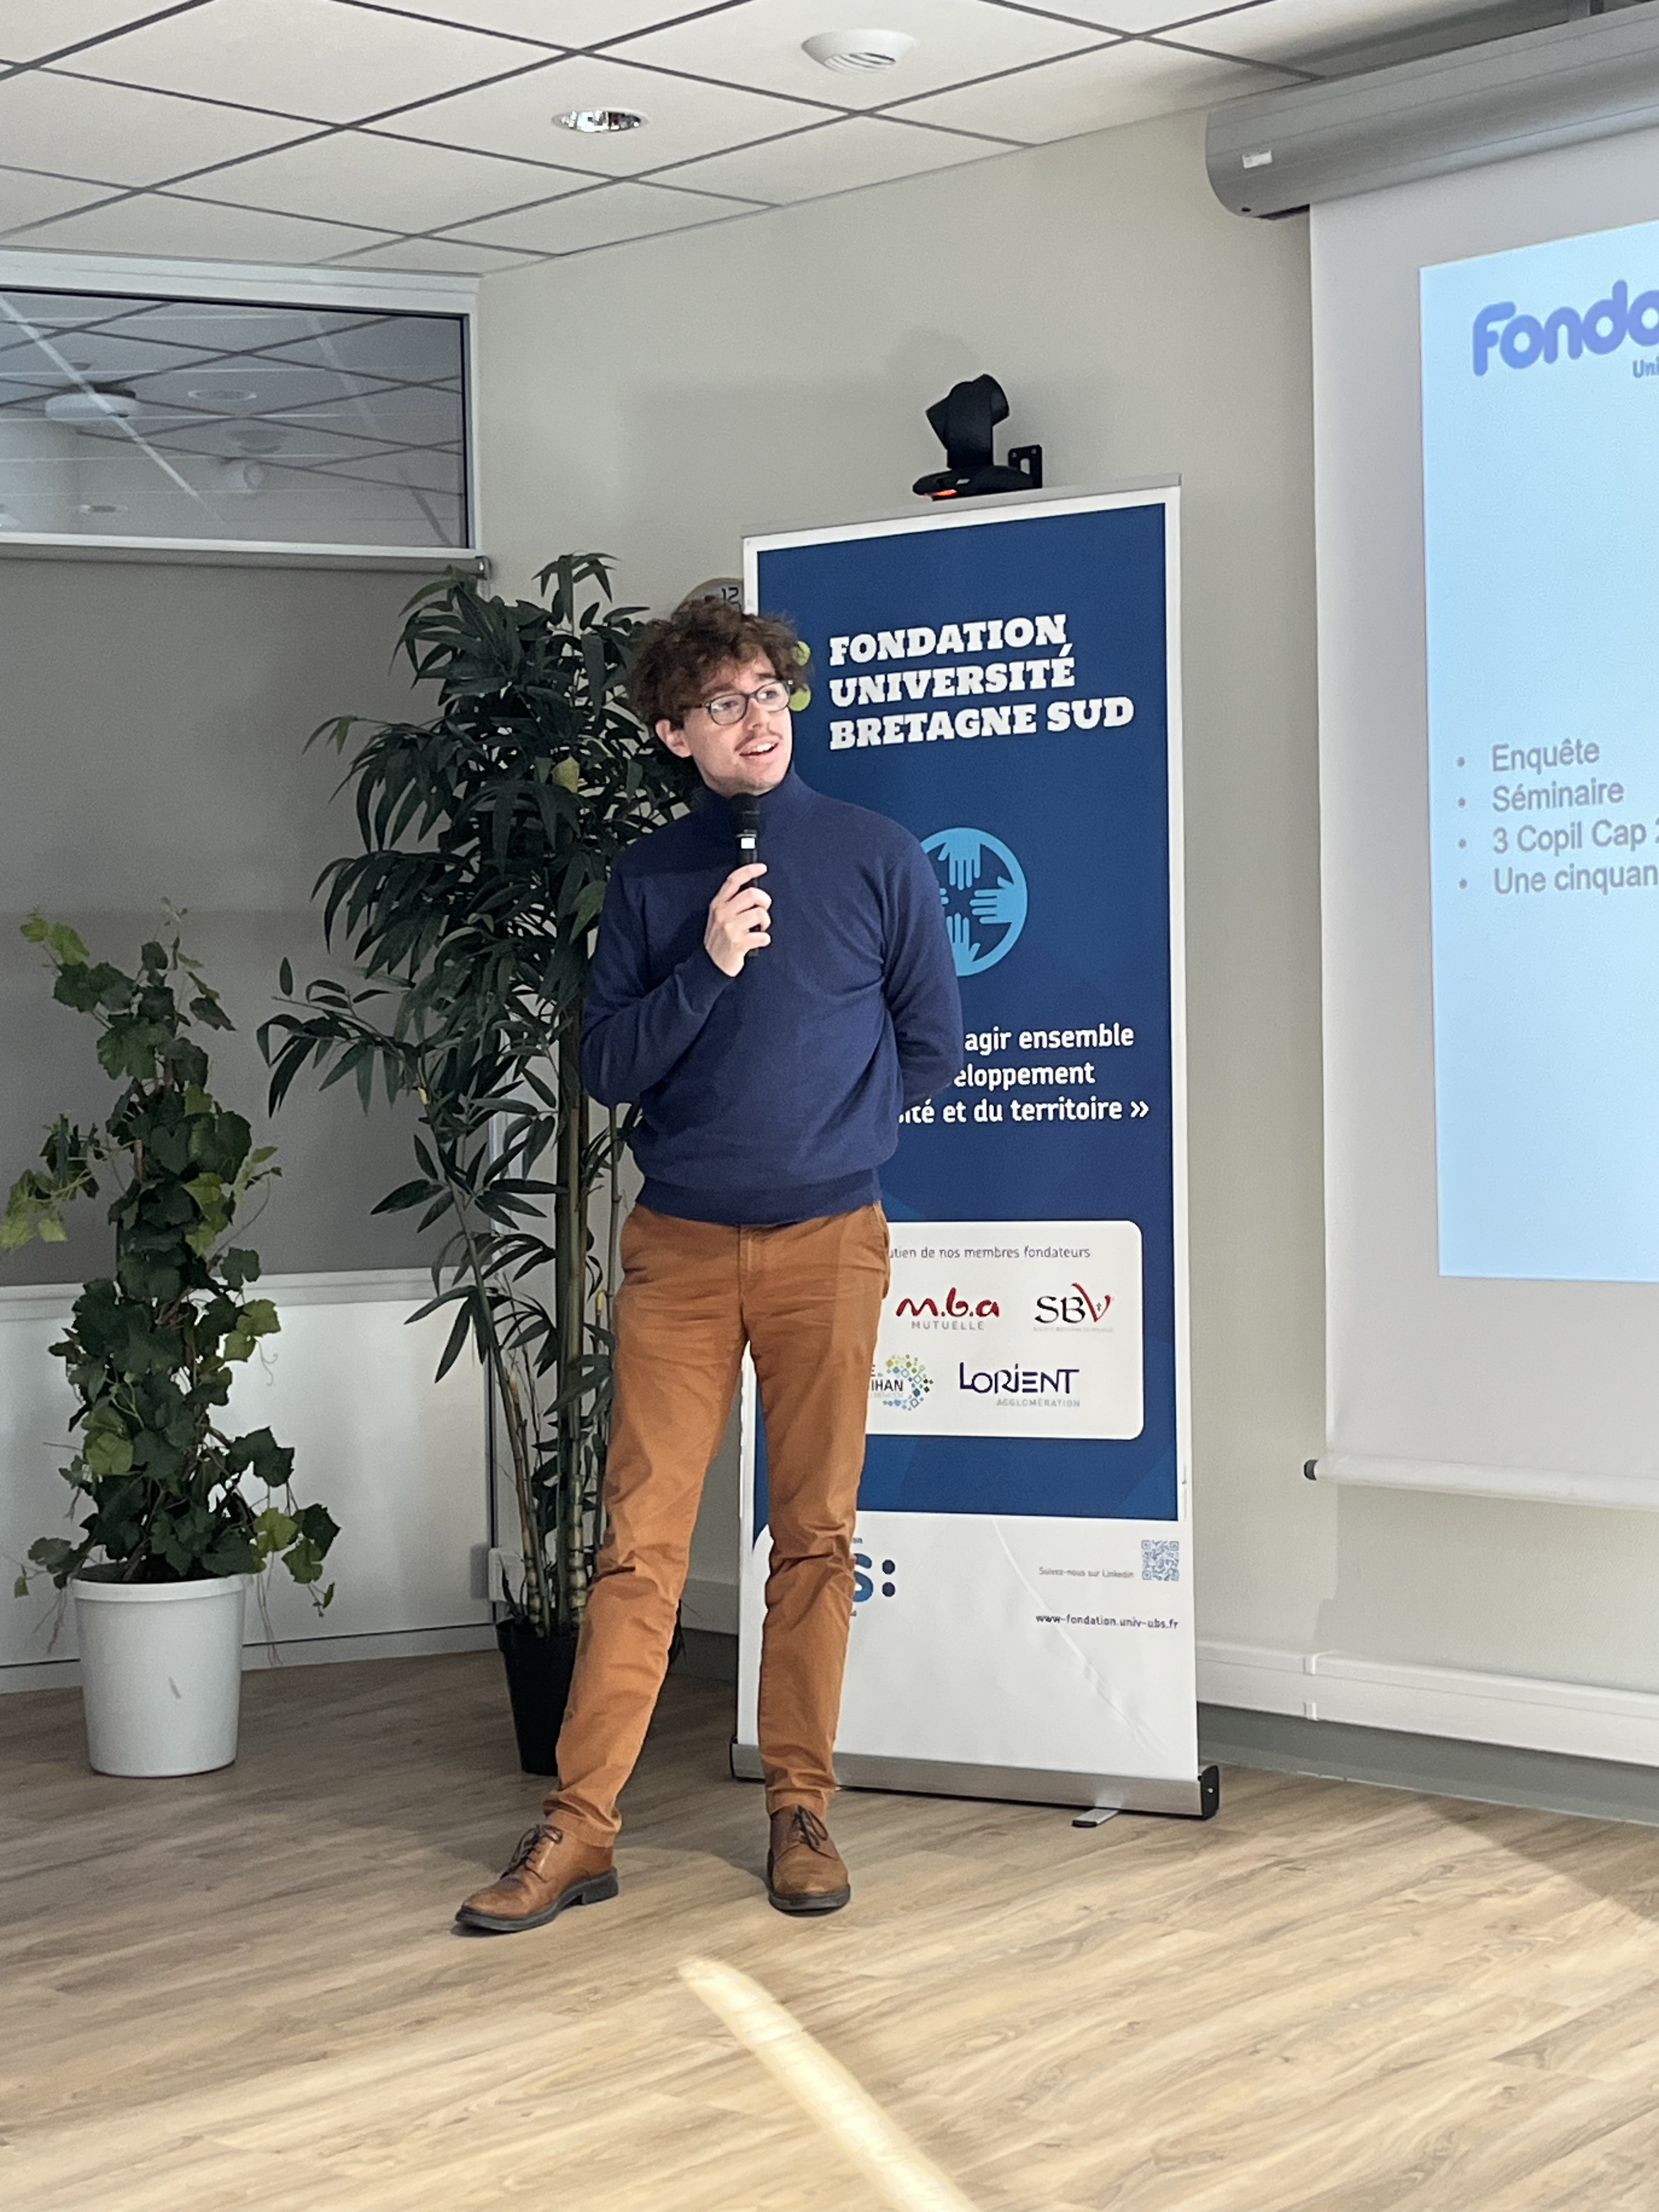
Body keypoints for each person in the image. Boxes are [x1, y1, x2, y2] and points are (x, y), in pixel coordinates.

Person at [456, 596, 963, 1934]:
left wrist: (833, 1141)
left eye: (771, 694)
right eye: (727, 703)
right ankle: (580, 1826)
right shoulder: (650, 880)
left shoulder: (875, 856)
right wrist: (709, 963)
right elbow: (610, 1065)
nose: (759, 720)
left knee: (817, 1536)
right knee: (639, 1546)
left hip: (829, 1245)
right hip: (679, 1249)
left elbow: (932, 1042)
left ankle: (801, 1808)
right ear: (677, 733)